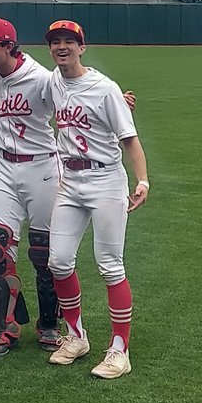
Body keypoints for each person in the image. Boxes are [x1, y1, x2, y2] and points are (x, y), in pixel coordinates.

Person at [44, 19, 150, 380]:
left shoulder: (104, 88)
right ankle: (76, 336)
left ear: (81, 47)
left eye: (68, 42)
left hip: (105, 179)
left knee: (109, 264)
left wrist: (143, 181)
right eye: (56, 42)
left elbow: (129, 138)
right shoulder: (52, 82)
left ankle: (120, 350)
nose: (62, 47)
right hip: (70, 181)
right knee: (58, 261)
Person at [0, 17, 62, 355]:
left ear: (8, 46)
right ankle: (4, 327)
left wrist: (114, 101)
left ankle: (50, 324)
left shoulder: (40, 79)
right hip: (6, 167)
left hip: (41, 167)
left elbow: (75, 95)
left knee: (43, 251)